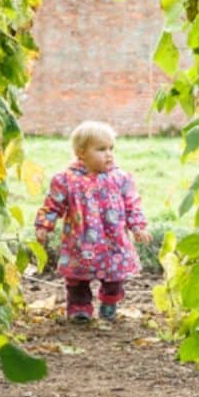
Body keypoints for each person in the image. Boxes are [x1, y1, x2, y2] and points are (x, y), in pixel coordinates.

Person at [34, 120, 152, 323]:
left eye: (111, 148)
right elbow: (53, 204)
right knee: (77, 279)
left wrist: (138, 226)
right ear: (81, 153)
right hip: (81, 241)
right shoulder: (66, 180)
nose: (108, 154)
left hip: (113, 241)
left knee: (115, 277)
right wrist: (44, 225)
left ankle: (109, 303)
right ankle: (79, 307)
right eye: (101, 149)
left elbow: (132, 204)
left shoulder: (120, 178)